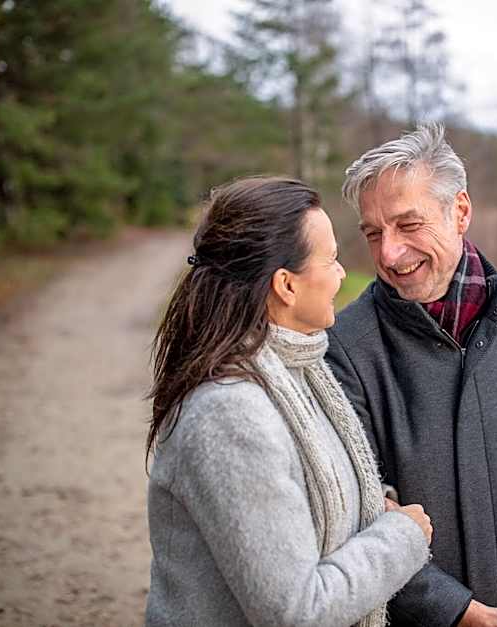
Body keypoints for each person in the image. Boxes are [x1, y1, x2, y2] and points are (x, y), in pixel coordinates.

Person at [325, 125, 497, 627]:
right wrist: (461, 612)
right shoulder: (345, 343)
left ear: (461, 212)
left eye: (409, 225)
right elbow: (357, 508)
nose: (388, 254)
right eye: (373, 233)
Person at [145, 175, 432, 627]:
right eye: (332, 260)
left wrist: (374, 506)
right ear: (286, 285)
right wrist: (401, 537)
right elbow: (297, 612)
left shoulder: (301, 373)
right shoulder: (229, 415)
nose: (342, 274)